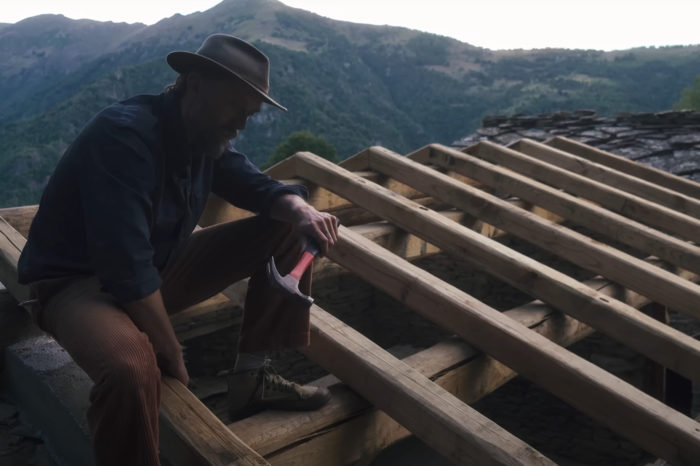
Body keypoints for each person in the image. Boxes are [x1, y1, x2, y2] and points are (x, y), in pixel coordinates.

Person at [17, 34, 339, 466]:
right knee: (133, 370)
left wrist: (300, 209)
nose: (240, 124)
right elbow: (124, 267)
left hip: (156, 268)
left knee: (285, 230)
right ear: (193, 83)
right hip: (80, 285)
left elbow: (252, 182)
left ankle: (251, 378)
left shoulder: (204, 136)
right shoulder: (125, 136)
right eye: (234, 107)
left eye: (249, 114)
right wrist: (169, 351)